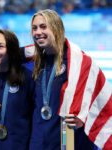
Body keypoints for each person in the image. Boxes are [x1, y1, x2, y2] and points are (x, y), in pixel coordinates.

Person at [26, 9, 112, 150]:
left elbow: (98, 100)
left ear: (56, 28)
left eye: (43, 26)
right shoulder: (34, 63)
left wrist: (83, 116)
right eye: (34, 28)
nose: (37, 32)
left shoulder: (79, 63)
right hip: (39, 141)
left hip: (67, 141)